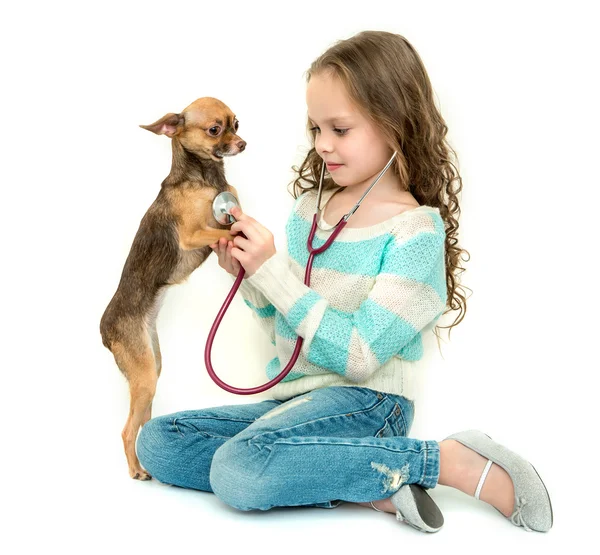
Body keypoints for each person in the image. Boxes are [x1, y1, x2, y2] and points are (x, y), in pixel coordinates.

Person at [136, 30, 552, 533]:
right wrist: (250, 277)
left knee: (237, 470)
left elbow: (357, 356)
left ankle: (444, 461)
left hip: (367, 405)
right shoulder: (311, 209)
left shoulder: (415, 233)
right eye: (315, 128)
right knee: (159, 442)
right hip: (297, 402)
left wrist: (274, 274)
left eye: (339, 128)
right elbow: (283, 329)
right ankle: (363, 481)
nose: (322, 145)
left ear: (394, 124)